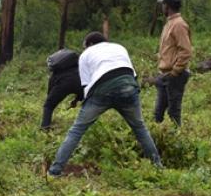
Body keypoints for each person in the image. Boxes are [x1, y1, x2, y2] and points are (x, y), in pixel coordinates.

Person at [47, 32, 162, 176]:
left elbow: (86, 86)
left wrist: (81, 102)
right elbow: (131, 73)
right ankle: (158, 167)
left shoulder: (86, 54)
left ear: (89, 44)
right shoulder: (119, 47)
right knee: (140, 128)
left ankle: (55, 171)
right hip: (128, 85)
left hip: (102, 89)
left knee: (76, 131)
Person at [154, 0, 192, 126]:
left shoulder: (179, 25)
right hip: (164, 74)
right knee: (158, 113)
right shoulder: (170, 23)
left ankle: (177, 141)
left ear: (167, 7)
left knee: (173, 113)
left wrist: (175, 71)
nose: (162, 7)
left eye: (163, 4)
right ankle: (157, 140)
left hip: (174, 75)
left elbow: (186, 50)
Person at [41, 49, 83, 129]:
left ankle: (45, 126)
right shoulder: (79, 69)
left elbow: (50, 91)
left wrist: (49, 99)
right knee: (88, 103)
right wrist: (76, 100)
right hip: (79, 82)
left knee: (48, 106)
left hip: (63, 84)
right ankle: (82, 124)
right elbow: (83, 89)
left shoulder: (55, 74)